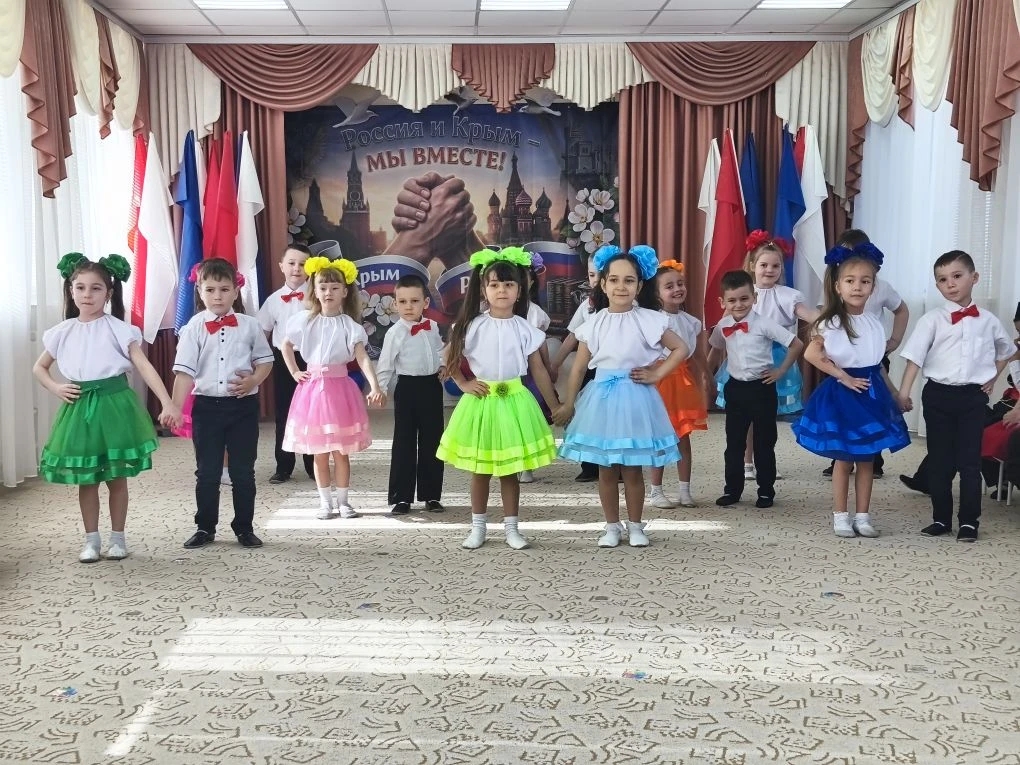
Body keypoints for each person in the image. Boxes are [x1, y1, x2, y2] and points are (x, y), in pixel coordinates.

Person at [34, 253, 181, 563]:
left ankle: (118, 538)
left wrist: (168, 401)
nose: (87, 295)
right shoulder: (62, 332)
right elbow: (39, 368)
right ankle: (91, 540)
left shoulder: (118, 329)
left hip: (115, 407)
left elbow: (144, 367)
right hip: (80, 410)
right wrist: (56, 387)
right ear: (71, 290)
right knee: (87, 479)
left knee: (116, 477)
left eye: (96, 288)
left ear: (109, 293)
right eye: (80, 287)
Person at [555, 245, 687, 549]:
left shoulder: (649, 319)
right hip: (602, 400)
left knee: (632, 469)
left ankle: (636, 526)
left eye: (629, 280)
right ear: (602, 284)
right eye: (613, 280)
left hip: (636, 398)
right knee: (606, 469)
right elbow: (578, 368)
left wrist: (657, 373)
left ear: (639, 286)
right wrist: (569, 402)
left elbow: (681, 348)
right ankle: (611, 526)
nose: (621, 286)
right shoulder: (594, 323)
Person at [437, 247, 560, 551]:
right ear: (483, 289)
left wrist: (554, 405)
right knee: (481, 470)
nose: (501, 290)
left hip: (515, 401)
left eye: (508, 284)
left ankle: (512, 529)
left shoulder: (525, 328)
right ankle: (478, 527)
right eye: (494, 284)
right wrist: (463, 382)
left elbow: (538, 370)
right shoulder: (473, 325)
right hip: (482, 402)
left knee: (510, 471)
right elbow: (448, 357)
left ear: (520, 290)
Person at [792, 242, 910, 538]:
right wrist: (843, 376)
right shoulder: (830, 322)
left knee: (867, 458)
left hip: (870, 394)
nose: (857, 287)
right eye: (850, 281)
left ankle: (863, 516)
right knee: (844, 459)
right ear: (838, 286)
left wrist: (895, 393)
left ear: (873, 287)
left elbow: (877, 366)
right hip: (844, 395)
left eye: (865, 281)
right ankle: (841, 516)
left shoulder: (873, 324)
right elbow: (812, 354)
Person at [897, 250, 1013, 542]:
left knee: (969, 461)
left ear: (974, 278)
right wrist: (903, 393)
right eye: (942, 279)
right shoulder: (932, 320)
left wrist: (993, 377)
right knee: (940, 460)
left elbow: (1007, 351)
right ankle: (941, 518)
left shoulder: (988, 321)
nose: (950, 283)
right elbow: (914, 359)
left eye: (957, 276)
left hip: (973, 398)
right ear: (937, 285)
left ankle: (969, 522)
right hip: (938, 396)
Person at [172, 258, 275, 550]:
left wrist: (253, 380)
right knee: (207, 472)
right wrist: (175, 408)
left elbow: (265, 361)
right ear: (200, 292)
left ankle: (244, 528)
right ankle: (205, 527)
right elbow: (184, 373)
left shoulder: (250, 325)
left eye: (224, 289)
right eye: (210, 289)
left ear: (235, 291)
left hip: (242, 408)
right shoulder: (193, 327)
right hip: (206, 409)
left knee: (243, 471)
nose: (217, 296)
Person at [282, 256, 385, 520]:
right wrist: (295, 371)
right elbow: (286, 345)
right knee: (320, 452)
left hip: (340, 391)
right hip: (313, 392)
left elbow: (362, 357)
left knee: (341, 452)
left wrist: (374, 385)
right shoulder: (305, 321)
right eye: (323, 287)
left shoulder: (350, 326)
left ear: (345, 292)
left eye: (335, 287)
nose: (328, 292)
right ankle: (325, 502)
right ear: (315, 291)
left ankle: (344, 502)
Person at [719, 231, 818, 481]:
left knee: (765, 416)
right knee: (745, 416)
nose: (769, 270)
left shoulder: (788, 295)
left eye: (776, 265)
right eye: (764, 265)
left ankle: (765, 461)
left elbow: (807, 314)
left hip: (775, 358)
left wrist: (829, 317)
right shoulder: (742, 293)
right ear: (753, 265)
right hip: (744, 355)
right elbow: (725, 325)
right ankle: (746, 461)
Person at [707, 270, 804, 509]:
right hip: (735, 389)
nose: (738, 304)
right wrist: (707, 376)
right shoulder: (723, 325)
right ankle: (732, 490)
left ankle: (766, 491)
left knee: (764, 443)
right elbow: (715, 349)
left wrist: (780, 371)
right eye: (732, 300)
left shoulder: (764, 323)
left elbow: (796, 344)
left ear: (754, 297)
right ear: (722, 302)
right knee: (734, 443)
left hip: (762, 389)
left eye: (744, 298)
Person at [822, 228, 908, 479]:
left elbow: (901, 310)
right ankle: (841, 455)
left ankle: (873, 458)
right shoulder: (835, 285)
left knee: (874, 410)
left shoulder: (881, 288)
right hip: (842, 361)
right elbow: (824, 315)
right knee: (844, 413)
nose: (857, 285)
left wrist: (894, 340)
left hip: (872, 357)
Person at [375, 274, 446, 515]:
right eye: (402, 301)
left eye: (414, 301)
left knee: (432, 441)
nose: (408, 306)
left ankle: (431, 495)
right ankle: (401, 497)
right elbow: (385, 363)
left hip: (432, 387)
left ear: (425, 303)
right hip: (407, 389)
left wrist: (443, 365)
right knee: (404, 442)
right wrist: (381, 388)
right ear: (395, 304)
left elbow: (439, 350)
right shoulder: (395, 333)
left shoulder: (432, 326)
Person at [647, 260, 709, 509]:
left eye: (680, 284)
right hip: (660, 382)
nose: (677, 289)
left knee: (684, 437)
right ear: (656, 293)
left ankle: (685, 490)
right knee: (661, 437)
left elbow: (696, 355)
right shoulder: (652, 320)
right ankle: (656, 490)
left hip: (683, 384)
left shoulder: (691, 322)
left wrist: (707, 376)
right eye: (669, 286)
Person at [256, 243, 315, 483]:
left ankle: (313, 465)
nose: (296, 268)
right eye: (291, 263)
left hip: (312, 359)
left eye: (302, 264)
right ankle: (284, 466)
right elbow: (261, 332)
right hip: (283, 360)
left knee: (313, 413)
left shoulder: (318, 296)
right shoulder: (273, 301)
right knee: (285, 413)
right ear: (281, 266)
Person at [549, 252, 599, 482]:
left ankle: (617, 465)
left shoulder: (629, 306)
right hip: (590, 369)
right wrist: (555, 364)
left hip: (618, 371)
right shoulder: (587, 306)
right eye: (592, 275)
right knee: (586, 416)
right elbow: (572, 336)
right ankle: (589, 465)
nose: (597, 280)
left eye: (602, 274)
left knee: (614, 420)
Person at [519, 252, 554, 484]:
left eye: (524, 279)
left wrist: (549, 368)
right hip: (507, 374)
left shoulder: (535, 312)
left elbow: (541, 344)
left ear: (532, 282)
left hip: (530, 374)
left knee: (529, 419)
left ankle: (527, 465)